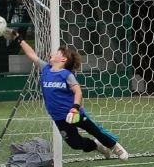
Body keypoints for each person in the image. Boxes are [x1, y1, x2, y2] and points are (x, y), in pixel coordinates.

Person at [14, 32, 129, 160]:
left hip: (74, 113)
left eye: (57, 53)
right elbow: (32, 55)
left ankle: (116, 147)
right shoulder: (46, 69)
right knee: (75, 144)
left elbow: (78, 91)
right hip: (59, 118)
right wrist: (19, 39)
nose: (52, 54)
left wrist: (75, 108)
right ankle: (96, 145)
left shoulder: (66, 74)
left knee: (95, 130)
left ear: (63, 59)